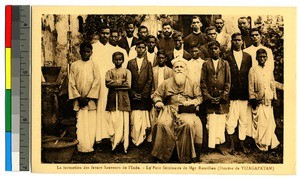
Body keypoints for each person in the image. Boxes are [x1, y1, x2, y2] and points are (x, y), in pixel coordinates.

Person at [151, 59, 203, 163]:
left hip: (185, 110)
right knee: (162, 124)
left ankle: (186, 156)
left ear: (186, 70)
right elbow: (156, 95)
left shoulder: (193, 83)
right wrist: (158, 102)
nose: (179, 69)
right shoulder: (166, 83)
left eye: (181, 67)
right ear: (173, 70)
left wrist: (192, 102)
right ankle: (163, 156)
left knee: (187, 124)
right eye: (176, 67)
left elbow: (200, 98)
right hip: (169, 109)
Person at [68, 41, 100, 153]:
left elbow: (97, 82)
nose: (86, 54)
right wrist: (78, 97)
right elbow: (71, 82)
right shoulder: (74, 65)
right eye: (83, 52)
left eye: (88, 52)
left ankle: (90, 144)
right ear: (80, 52)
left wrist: (89, 97)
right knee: (81, 122)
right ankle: (81, 145)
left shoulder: (94, 65)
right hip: (79, 100)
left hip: (90, 100)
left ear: (91, 52)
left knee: (91, 121)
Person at [224, 33, 252, 154]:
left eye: (239, 40)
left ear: (242, 42)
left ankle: (242, 144)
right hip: (232, 94)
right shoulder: (227, 56)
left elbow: (249, 76)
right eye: (235, 40)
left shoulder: (248, 57)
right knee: (231, 120)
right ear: (231, 41)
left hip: (244, 94)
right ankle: (231, 145)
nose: (237, 42)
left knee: (244, 120)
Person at [200, 41, 231, 155]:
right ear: (209, 51)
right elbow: (203, 82)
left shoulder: (225, 64)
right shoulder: (206, 64)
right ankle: (211, 146)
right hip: (210, 98)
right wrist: (208, 97)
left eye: (216, 48)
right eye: (212, 49)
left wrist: (223, 96)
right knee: (211, 121)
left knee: (221, 121)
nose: (214, 50)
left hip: (221, 99)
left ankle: (221, 145)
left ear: (220, 50)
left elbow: (228, 82)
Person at [248, 48, 280, 151]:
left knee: (268, 122)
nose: (262, 58)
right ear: (256, 58)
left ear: (267, 58)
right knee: (260, 122)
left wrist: (274, 96)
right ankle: (261, 144)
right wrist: (253, 98)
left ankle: (269, 143)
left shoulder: (269, 69)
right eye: (260, 57)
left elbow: (272, 83)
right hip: (259, 100)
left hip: (268, 99)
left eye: (264, 57)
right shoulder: (253, 69)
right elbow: (251, 85)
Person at [91, 25, 116, 143]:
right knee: (98, 107)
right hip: (97, 83)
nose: (105, 35)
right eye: (103, 33)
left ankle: (109, 135)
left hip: (109, 84)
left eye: (107, 33)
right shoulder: (93, 48)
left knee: (109, 108)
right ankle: (98, 136)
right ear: (99, 34)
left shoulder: (113, 49)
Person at [126, 40, 153, 146]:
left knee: (143, 118)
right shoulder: (130, 62)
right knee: (134, 119)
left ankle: (143, 139)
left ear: (145, 49)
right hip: (134, 95)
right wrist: (132, 93)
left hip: (144, 97)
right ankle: (134, 139)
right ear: (135, 49)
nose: (141, 50)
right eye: (139, 48)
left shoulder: (148, 63)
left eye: (143, 47)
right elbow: (127, 79)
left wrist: (143, 94)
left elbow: (150, 80)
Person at [105, 52, 132, 153]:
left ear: (123, 60)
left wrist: (114, 84)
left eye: (120, 59)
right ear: (113, 60)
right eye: (116, 59)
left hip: (123, 99)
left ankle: (124, 145)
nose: (118, 61)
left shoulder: (127, 71)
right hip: (112, 100)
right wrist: (121, 82)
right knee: (113, 120)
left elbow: (128, 85)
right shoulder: (109, 72)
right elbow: (107, 83)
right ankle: (114, 144)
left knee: (124, 121)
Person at [147, 49, 173, 144]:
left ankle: (164, 138)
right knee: (154, 118)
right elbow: (151, 84)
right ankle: (153, 138)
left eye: (163, 58)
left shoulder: (170, 71)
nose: (161, 60)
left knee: (164, 118)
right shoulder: (153, 70)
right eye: (159, 58)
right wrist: (152, 95)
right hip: (155, 96)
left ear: (166, 59)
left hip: (166, 97)